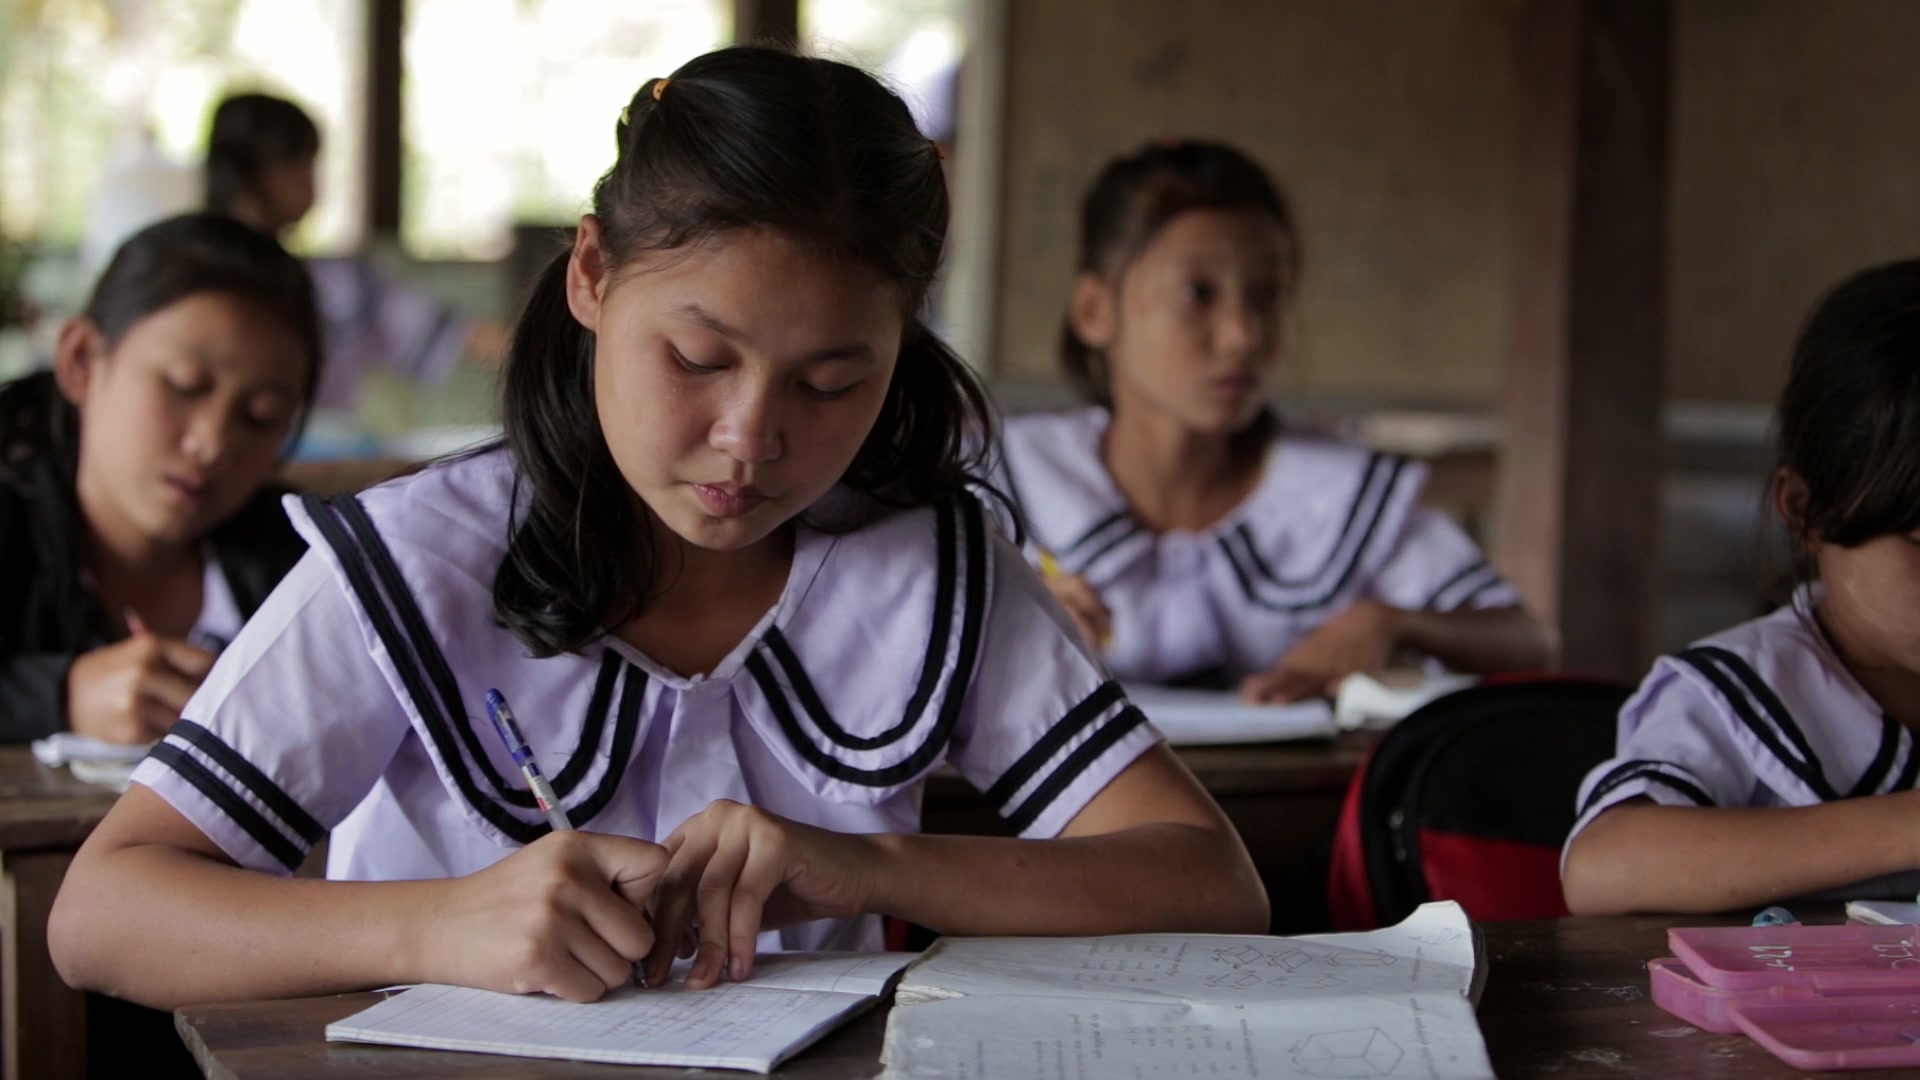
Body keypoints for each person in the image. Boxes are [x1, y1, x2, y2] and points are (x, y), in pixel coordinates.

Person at [49, 46, 1267, 1011]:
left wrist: (869, 868)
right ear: (590, 276)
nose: (750, 437)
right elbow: (102, 915)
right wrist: (441, 922)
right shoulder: (422, 562)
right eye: (696, 356)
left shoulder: (927, 569)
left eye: (833, 382)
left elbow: (1209, 883)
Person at [999, 139, 1550, 701]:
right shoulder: (1014, 485)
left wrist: (1389, 623)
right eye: (1198, 293)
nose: (1244, 335)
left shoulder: (1332, 499)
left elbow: (1530, 642)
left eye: (1267, 295)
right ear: (1095, 311)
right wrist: (1003, 631)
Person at [1563, 259, 1920, 914]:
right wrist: (1907, 826)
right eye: (1918, 539)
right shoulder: (1740, 691)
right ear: (1807, 511)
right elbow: (1604, 866)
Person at [0, 213, 319, 744]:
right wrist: (59, 697)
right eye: (184, 386)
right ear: (81, 360)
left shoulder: (303, 565)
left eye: (260, 416)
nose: (212, 445)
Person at [204, 92, 506, 414]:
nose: (312, 183)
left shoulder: (339, 282)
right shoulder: (333, 287)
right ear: (270, 173)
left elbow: (463, 335)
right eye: (306, 165)